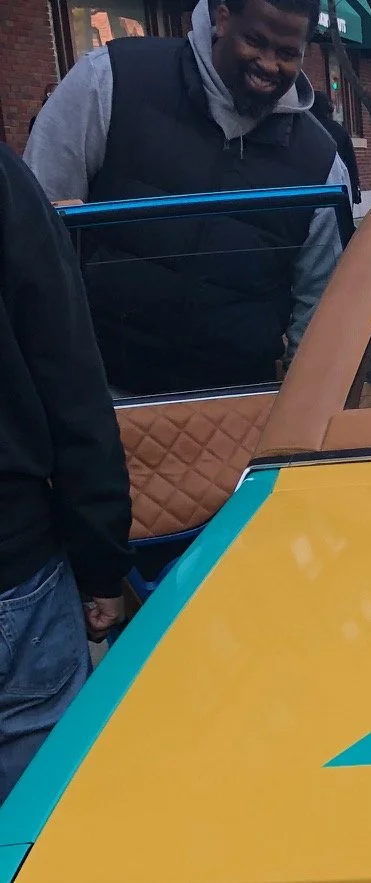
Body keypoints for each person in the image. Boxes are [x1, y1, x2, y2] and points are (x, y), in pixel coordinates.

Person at [23, 0, 350, 395]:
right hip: (95, 395)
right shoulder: (110, 81)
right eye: (255, 41)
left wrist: (296, 415)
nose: (268, 64)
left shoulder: (320, 165)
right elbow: (32, 234)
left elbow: (319, 316)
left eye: (286, 53)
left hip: (231, 412)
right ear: (223, 18)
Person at [0, 147, 132, 802]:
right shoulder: (6, 186)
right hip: (12, 571)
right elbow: (71, 383)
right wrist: (102, 568)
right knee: (38, 828)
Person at [308, 86, 360, 205]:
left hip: (311, 188)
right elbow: (350, 163)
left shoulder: (304, 130)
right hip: (338, 186)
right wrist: (354, 188)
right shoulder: (340, 130)